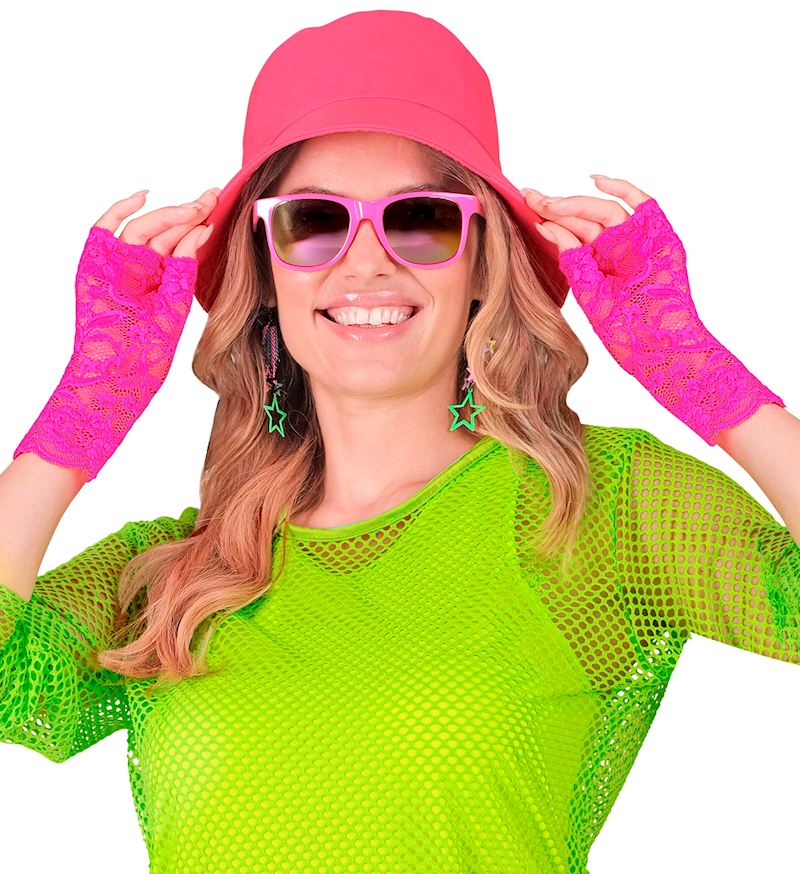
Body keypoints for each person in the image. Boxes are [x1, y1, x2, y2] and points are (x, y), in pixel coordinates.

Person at [1, 9, 799, 873]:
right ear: (264, 270)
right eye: (314, 222)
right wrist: (80, 416)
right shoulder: (175, 579)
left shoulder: (595, 509)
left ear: (482, 260)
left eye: (420, 218)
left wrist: (707, 379)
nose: (367, 263)